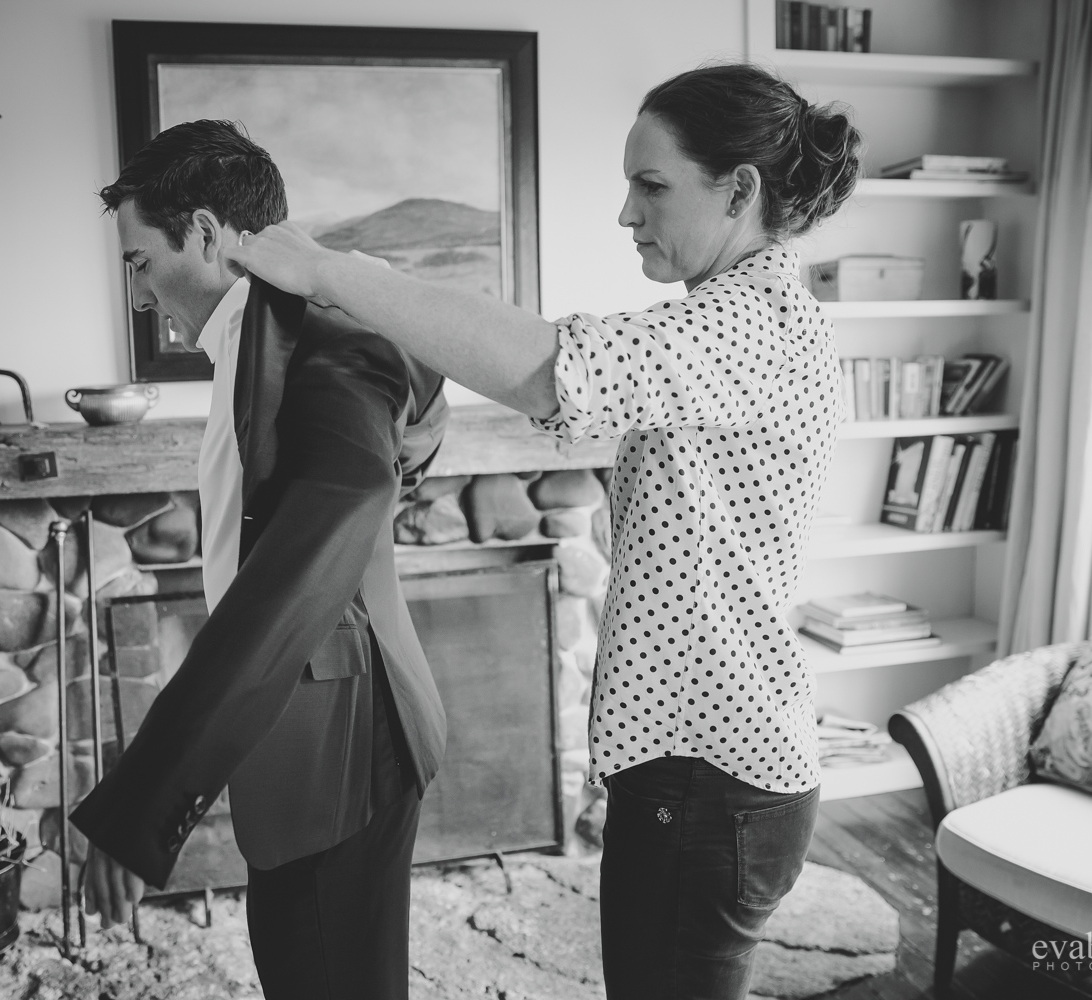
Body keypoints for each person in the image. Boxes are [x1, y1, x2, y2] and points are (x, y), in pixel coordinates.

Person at [229, 63, 861, 999]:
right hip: (702, 770)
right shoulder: (726, 324)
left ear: (739, 191)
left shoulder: (749, 325)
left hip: (710, 777)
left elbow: (550, 368)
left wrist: (331, 271)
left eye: (651, 186)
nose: (627, 214)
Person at [70, 119, 450, 1000]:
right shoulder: (262, 340)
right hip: (307, 751)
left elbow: (337, 515)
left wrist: (144, 799)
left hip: (341, 754)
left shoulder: (325, 333)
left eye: (139, 262)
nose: (138, 294)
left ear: (205, 234)